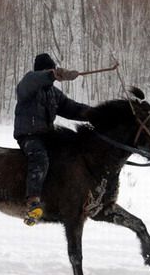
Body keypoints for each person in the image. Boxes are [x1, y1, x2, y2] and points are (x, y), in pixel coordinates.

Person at [13, 53, 91, 226]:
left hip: (48, 136)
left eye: (53, 69)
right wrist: (53, 74)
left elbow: (73, 109)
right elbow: (34, 79)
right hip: (28, 135)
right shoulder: (27, 86)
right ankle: (33, 202)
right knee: (39, 157)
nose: (52, 73)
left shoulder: (53, 94)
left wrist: (97, 114)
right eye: (49, 71)